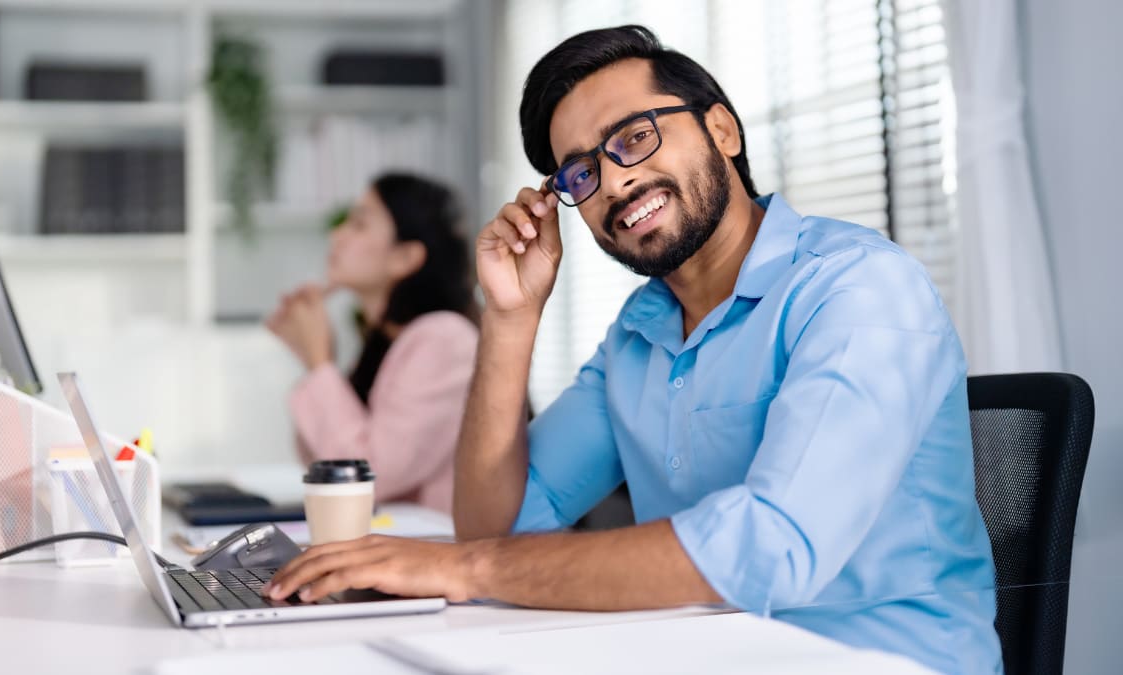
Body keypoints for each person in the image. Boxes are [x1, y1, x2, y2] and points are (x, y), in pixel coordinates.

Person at [264, 26, 1000, 673]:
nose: (614, 179)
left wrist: (467, 565)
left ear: (722, 131)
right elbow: (499, 526)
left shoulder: (859, 289)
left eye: (635, 136)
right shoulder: (639, 334)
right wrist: (510, 317)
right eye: (581, 171)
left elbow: (775, 543)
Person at [266, 173, 479, 514]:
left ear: (405, 257)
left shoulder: (445, 340)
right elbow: (319, 460)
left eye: (358, 224)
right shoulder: (388, 342)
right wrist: (316, 361)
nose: (337, 234)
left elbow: (365, 477)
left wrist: (319, 364)